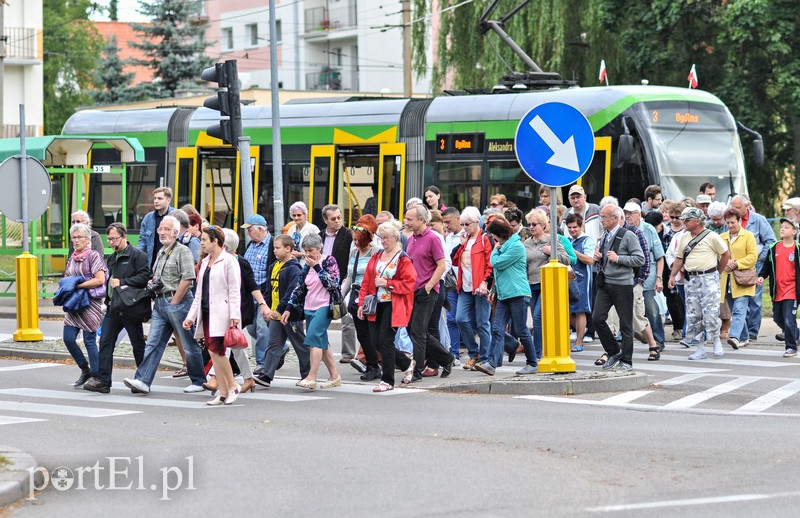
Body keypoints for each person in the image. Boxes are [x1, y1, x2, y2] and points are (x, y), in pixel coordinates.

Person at [123, 215, 206, 394]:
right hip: (160, 303)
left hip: (178, 302)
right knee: (153, 343)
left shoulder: (182, 251)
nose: (162, 232)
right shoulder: (162, 251)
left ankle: (199, 381)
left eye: (167, 229)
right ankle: (142, 381)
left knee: (188, 344)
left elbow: (188, 277)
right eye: (161, 229)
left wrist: (175, 300)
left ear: (176, 232)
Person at [84, 223, 151, 394]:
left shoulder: (137, 255)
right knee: (105, 342)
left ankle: (142, 379)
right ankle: (103, 381)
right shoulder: (112, 258)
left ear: (124, 237)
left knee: (137, 344)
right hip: (113, 307)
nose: (111, 243)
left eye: (114, 239)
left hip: (130, 307)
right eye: (109, 240)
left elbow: (144, 277)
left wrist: (123, 282)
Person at [182, 226, 242, 405]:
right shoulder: (206, 262)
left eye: (204, 240)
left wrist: (234, 315)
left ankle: (232, 386)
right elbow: (199, 293)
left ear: (215, 241)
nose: (201, 244)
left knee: (219, 351)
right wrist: (191, 317)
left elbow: (234, 290)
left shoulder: (229, 261)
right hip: (207, 312)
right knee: (212, 351)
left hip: (223, 312)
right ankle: (223, 391)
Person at [358, 221, 417, 391]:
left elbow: (409, 284)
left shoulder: (403, 258)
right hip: (376, 304)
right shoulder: (377, 256)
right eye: (381, 238)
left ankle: (387, 380)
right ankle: (406, 363)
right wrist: (362, 303)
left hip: (393, 304)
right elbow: (367, 281)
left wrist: (388, 283)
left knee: (385, 340)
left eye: (386, 238)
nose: (382, 241)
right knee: (376, 342)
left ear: (395, 238)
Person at [667, 207, 730, 360]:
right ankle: (700, 348)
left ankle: (716, 342)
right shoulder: (683, 237)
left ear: (697, 221)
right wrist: (672, 276)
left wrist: (717, 272)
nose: (684, 223)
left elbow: (725, 254)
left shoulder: (712, 236)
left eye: (687, 220)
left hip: (708, 277)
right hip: (691, 279)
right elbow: (679, 258)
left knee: (711, 312)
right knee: (694, 314)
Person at [478, 218, 538, 375]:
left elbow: (496, 264)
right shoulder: (505, 246)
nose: (492, 239)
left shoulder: (516, 247)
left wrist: (495, 250)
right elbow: (499, 274)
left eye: (493, 235)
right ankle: (491, 363)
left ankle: (532, 363)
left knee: (521, 330)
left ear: (500, 234)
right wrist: (494, 291)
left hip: (518, 293)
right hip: (504, 294)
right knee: (497, 328)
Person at [282, 234, 341, 390]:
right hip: (309, 306)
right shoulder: (306, 265)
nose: (308, 254)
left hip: (324, 306)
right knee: (322, 342)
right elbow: (299, 288)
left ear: (319, 248)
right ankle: (335, 376)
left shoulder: (329, 261)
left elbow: (334, 284)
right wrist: (289, 308)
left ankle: (311, 377)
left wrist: (318, 267)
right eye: (305, 251)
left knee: (313, 338)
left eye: (311, 250)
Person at [404, 205, 456, 381]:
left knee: (418, 331)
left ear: (421, 220)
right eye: (406, 218)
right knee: (413, 329)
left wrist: (428, 286)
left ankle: (417, 370)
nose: (406, 222)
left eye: (410, 219)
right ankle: (446, 358)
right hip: (412, 290)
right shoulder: (412, 239)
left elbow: (442, 265)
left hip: (428, 290)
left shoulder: (433, 238)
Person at [592, 204, 645, 371]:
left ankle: (627, 361)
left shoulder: (628, 235)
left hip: (623, 285)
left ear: (615, 218)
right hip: (605, 283)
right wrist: (599, 258)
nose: (601, 220)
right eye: (601, 217)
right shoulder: (604, 236)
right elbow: (606, 258)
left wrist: (619, 258)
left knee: (625, 324)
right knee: (597, 318)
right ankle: (614, 351)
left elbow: (640, 259)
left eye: (604, 217)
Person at [254, 234, 310, 387]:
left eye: (277, 248)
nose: (274, 251)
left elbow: (291, 292)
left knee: (300, 344)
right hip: (275, 314)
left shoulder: (294, 268)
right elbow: (269, 289)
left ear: (288, 249)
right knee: (273, 344)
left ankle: (307, 374)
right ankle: (267, 374)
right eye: (273, 248)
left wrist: (279, 309)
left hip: (290, 314)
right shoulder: (274, 266)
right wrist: (266, 306)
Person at [217, 228, 268, 394]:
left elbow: (252, 285)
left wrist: (262, 304)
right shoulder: (215, 261)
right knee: (235, 347)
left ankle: (215, 379)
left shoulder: (240, 262)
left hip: (236, 310)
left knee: (225, 346)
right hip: (221, 308)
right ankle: (248, 379)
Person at [61, 223, 107, 388]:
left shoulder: (93, 256)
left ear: (88, 239)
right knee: (68, 338)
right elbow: (67, 277)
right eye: (74, 237)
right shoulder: (72, 257)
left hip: (90, 303)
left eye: (79, 237)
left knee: (89, 340)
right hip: (74, 303)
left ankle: (96, 375)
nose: (76, 240)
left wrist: (78, 285)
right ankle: (84, 368)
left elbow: (100, 279)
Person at [523, 209, 569, 362]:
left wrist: (552, 252)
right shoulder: (526, 243)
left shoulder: (552, 240)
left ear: (543, 225)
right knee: (539, 321)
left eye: (534, 224)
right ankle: (541, 351)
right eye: (529, 224)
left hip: (548, 285)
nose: (531, 227)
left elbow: (567, 259)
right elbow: (523, 265)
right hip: (532, 285)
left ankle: (537, 354)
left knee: (537, 318)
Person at [623, 201, 666, 358]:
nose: (627, 216)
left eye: (630, 213)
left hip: (648, 276)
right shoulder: (624, 229)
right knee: (634, 310)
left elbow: (660, 256)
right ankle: (645, 336)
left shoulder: (648, 229)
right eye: (625, 213)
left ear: (638, 214)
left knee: (650, 309)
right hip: (629, 278)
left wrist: (659, 278)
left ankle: (658, 340)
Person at [452, 206, 493, 371]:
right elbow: (454, 260)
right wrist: (460, 246)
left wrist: (485, 282)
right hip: (465, 286)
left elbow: (490, 263)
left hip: (480, 287)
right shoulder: (465, 240)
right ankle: (474, 353)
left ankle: (485, 358)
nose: (464, 228)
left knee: (482, 323)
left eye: (467, 224)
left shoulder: (485, 238)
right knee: (460, 319)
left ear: (477, 222)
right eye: (462, 224)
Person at [730, 195, 776, 341]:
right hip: (736, 266)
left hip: (754, 266)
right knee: (738, 298)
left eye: (737, 208)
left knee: (754, 299)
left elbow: (771, 241)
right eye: (732, 207)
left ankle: (752, 331)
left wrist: (759, 257)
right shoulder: (730, 222)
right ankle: (742, 332)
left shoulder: (758, 220)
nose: (734, 210)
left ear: (747, 206)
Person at [340, 215, 381, 379]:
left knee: (374, 336)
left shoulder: (376, 251)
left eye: (358, 240)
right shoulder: (354, 252)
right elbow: (350, 277)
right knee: (362, 334)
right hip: (355, 297)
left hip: (370, 297)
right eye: (354, 239)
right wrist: (340, 296)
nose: (355, 243)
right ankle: (372, 365)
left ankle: (382, 365)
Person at [318, 204, 356, 363]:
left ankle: (348, 353)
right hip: (321, 281)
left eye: (339, 217)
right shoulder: (320, 236)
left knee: (346, 318)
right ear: (325, 220)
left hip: (343, 280)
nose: (337, 221)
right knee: (320, 316)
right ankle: (319, 348)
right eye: (333, 219)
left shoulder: (348, 235)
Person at [758, 218, 800, 357]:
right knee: (777, 318)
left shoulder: (798, 249)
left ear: (794, 231)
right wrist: (761, 276)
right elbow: (767, 267)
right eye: (782, 227)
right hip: (778, 290)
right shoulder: (774, 247)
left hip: (792, 290)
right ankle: (796, 333)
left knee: (789, 318)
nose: (782, 229)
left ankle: (791, 347)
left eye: (787, 227)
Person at [241, 214, 275, 374]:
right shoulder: (251, 245)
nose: (248, 233)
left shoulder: (273, 244)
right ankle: (280, 348)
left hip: (265, 293)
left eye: (250, 230)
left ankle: (262, 364)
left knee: (262, 327)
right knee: (251, 328)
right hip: (251, 294)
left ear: (260, 229)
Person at [720, 207, 758, 350]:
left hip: (743, 279)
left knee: (738, 310)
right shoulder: (722, 237)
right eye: (728, 223)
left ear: (740, 221)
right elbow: (718, 256)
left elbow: (753, 257)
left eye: (733, 222)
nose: (730, 226)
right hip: (726, 281)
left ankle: (734, 336)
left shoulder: (748, 236)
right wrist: (725, 263)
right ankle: (744, 336)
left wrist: (736, 264)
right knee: (735, 309)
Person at [565, 213, 594, 352]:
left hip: (582, 279)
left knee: (580, 310)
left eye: (575, 227)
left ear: (581, 226)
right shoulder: (567, 240)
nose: (572, 230)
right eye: (569, 227)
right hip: (568, 278)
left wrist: (572, 251)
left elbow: (590, 260)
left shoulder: (587, 240)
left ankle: (579, 341)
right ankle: (581, 329)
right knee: (566, 311)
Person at [441, 207, 462, 360]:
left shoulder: (466, 236)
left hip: (466, 283)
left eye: (448, 222)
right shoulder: (447, 238)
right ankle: (454, 353)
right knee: (451, 318)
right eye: (444, 223)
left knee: (469, 320)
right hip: (451, 284)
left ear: (458, 219)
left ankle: (510, 344)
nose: (446, 226)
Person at [138, 186, 176, 268]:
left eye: (160, 198)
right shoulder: (148, 218)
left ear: (168, 200)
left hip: (170, 264)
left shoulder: (176, 215)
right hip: (151, 264)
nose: (156, 201)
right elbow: (142, 242)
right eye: (155, 198)